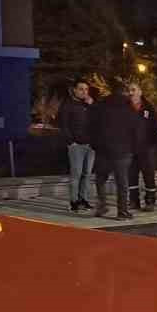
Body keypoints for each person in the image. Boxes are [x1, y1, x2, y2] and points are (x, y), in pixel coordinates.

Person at [92, 81, 142, 219]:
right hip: (122, 150)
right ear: (124, 92)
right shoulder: (128, 107)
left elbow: (91, 126)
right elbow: (136, 129)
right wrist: (134, 147)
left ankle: (102, 206)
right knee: (122, 182)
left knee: (100, 179)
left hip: (103, 150)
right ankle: (122, 211)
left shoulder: (100, 106)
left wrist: (95, 144)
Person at [57, 80, 96, 213]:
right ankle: (73, 202)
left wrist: (92, 106)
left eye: (86, 89)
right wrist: (71, 142)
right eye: (81, 89)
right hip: (76, 146)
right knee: (76, 174)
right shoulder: (67, 105)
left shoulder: (89, 105)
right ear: (74, 90)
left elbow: (97, 121)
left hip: (90, 145)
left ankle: (83, 200)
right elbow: (63, 125)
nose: (84, 92)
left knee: (87, 174)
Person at [128, 92, 157, 212]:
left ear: (140, 93)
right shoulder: (125, 108)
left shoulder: (149, 108)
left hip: (147, 148)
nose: (130, 92)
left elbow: (156, 126)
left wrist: (154, 143)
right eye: (129, 90)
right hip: (131, 148)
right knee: (131, 176)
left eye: (133, 89)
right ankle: (133, 201)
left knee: (149, 175)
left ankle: (150, 201)